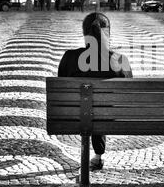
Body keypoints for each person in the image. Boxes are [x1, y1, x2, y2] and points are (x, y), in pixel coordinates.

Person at [57, 12, 133, 171]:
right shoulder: (119, 60)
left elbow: (61, 91)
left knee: (89, 106)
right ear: (108, 33)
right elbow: (128, 95)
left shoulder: (69, 58)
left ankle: (95, 156)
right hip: (110, 117)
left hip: (73, 116)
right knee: (101, 107)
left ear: (85, 34)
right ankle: (98, 155)